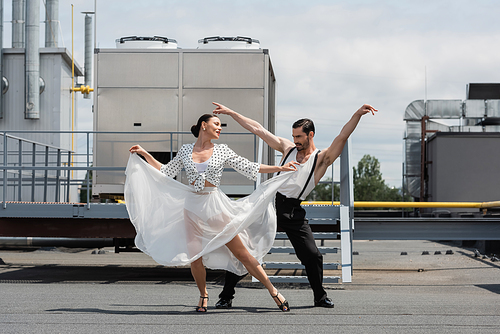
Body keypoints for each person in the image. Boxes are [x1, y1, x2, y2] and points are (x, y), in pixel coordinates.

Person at [125, 113, 300, 313]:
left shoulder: (222, 150)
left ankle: (273, 291)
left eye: (220, 125)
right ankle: (203, 295)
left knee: (242, 254)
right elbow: (165, 171)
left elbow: (249, 167)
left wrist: (280, 167)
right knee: (195, 258)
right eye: (216, 124)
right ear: (203, 125)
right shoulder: (185, 150)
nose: (220, 128)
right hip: (191, 207)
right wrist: (145, 154)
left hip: (215, 206)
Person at [212, 102, 377, 309]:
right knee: (246, 250)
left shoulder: (322, 159)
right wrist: (232, 111)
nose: (295, 141)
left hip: (292, 210)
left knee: (312, 255)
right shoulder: (288, 149)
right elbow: (258, 129)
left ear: (311, 135)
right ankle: (226, 296)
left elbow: (342, 137)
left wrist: (357, 115)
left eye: (299, 137)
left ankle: (319, 296)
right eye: (293, 136)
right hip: (269, 204)